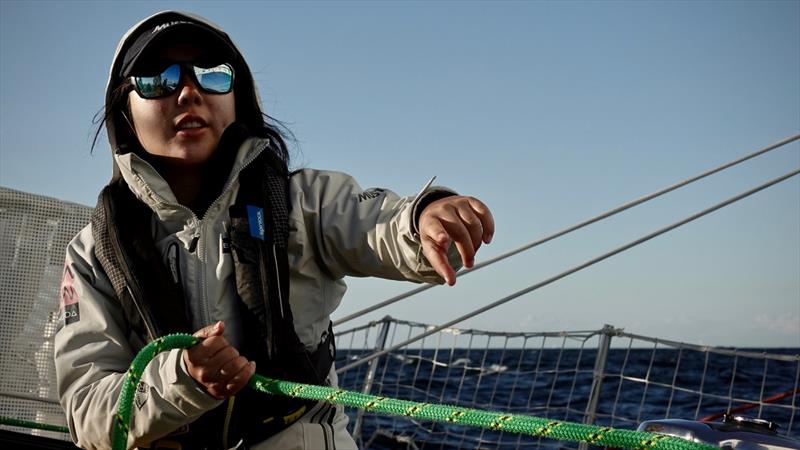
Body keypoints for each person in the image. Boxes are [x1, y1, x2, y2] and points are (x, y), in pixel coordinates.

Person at [54, 10, 494, 450]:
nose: (188, 91)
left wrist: (427, 220)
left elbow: (379, 222)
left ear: (238, 97)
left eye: (212, 74)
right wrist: (182, 379)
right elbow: (88, 412)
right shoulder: (93, 254)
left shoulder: (303, 201)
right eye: (157, 79)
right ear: (124, 113)